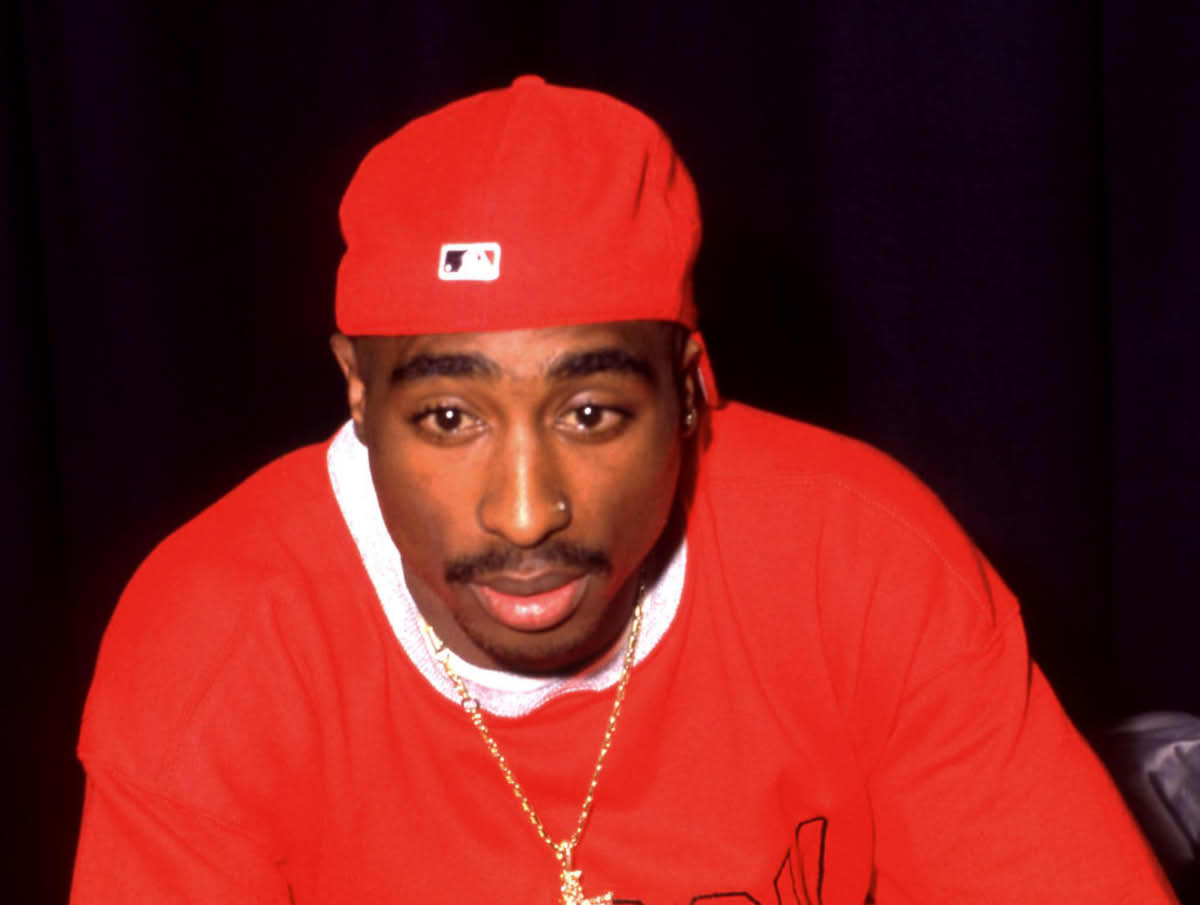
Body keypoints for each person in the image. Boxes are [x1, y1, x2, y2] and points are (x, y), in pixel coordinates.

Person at [70, 75, 1177, 904]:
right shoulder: (214, 641)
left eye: (591, 412)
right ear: (358, 393)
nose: (522, 510)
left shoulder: (860, 555)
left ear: (692, 390)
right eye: (447, 418)